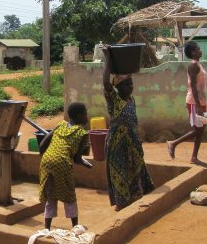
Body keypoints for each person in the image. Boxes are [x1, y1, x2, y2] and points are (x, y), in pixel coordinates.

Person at [102, 45, 155, 212]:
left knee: (136, 167)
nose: (130, 87)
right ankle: (121, 202)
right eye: (127, 85)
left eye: (131, 84)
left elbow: (134, 120)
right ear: (119, 87)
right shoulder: (114, 100)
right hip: (117, 142)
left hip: (131, 140)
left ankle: (136, 196)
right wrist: (108, 59)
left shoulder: (131, 100)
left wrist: (138, 138)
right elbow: (105, 82)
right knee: (119, 171)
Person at [38, 102, 92, 230]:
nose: (87, 116)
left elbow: (42, 146)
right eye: (85, 113)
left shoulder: (60, 125)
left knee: (51, 197)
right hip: (62, 162)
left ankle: (47, 228)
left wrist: (49, 158)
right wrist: (87, 164)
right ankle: (75, 227)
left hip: (46, 161)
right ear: (79, 116)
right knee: (69, 196)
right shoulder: (82, 133)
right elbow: (77, 159)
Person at [167, 41, 207, 166]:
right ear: (193, 52)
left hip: (200, 101)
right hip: (194, 102)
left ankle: (194, 157)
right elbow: (193, 87)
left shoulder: (198, 65)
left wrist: (202, 103)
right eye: (198, 48)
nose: (200, 50)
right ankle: (173, 143)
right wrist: (199, 105)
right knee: (198, 129)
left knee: (200, 129)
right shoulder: (193, 66)